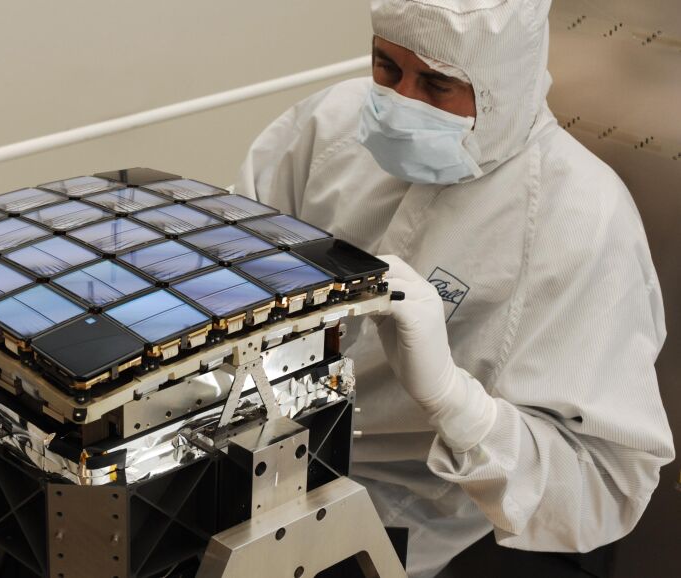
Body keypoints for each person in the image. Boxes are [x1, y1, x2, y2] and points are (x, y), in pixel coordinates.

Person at [233, 1, 675, 576]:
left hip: (404, 504)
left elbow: (604, 490)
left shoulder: (582, 221)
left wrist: (453, 401)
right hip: (255, 448)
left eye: (437, 83)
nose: (401, 103)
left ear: (502, 83)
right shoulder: (331, 123)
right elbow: (234, 251)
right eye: (387, 67)